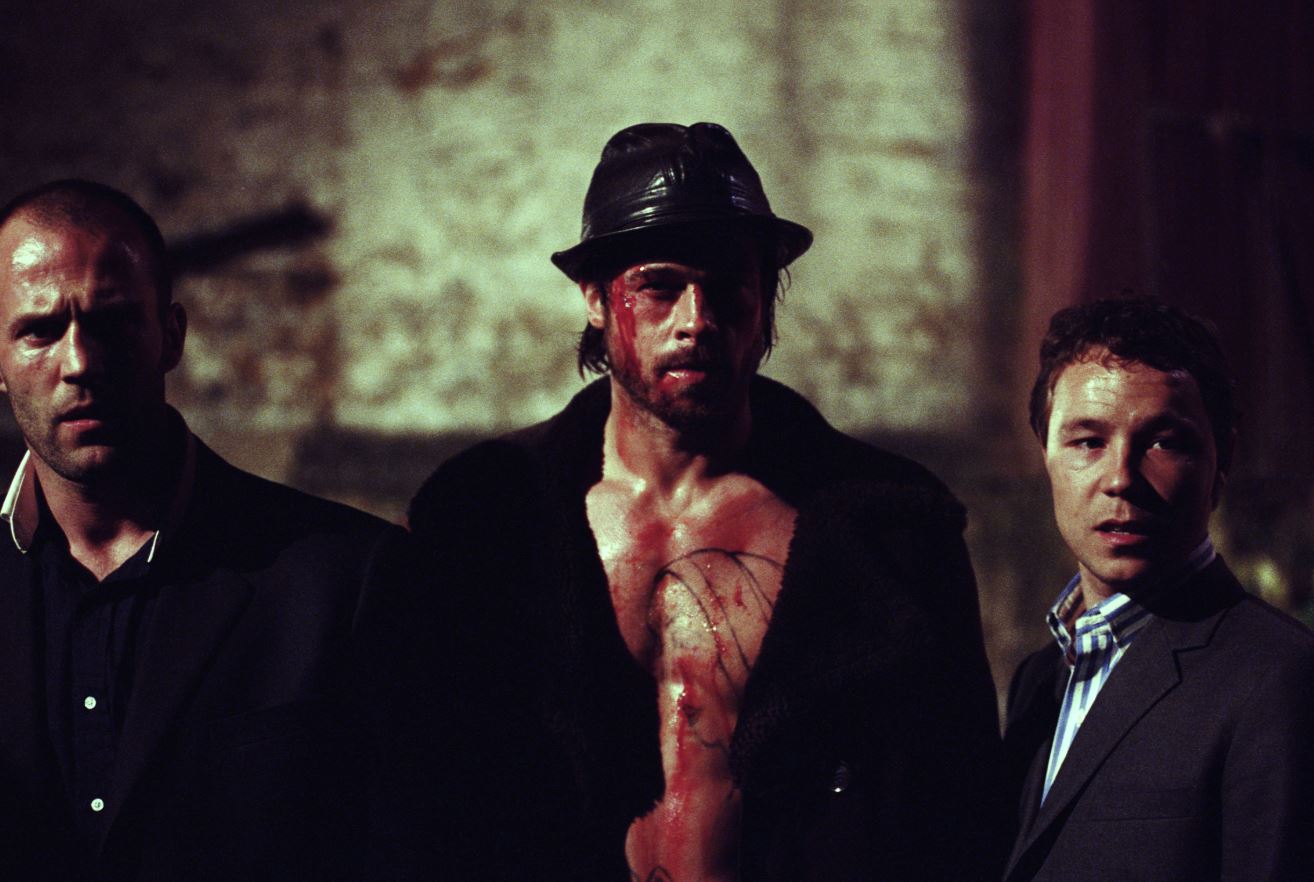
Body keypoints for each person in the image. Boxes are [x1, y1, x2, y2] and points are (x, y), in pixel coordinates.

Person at [388, 122, 1004, 881]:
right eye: (660, 286)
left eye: (728, 284)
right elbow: (409, 790)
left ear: (766, 299)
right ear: (594, 297)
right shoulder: (480, 521)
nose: (696, 321)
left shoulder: (895, 528)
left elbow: (959, 811)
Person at [0, 179, 402, 880]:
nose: (80, 363)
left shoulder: (346, 580)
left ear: (172, 337)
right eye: (39, 330)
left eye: (114, 321)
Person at [1002, 296, 1314, 881]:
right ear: (1045, 455)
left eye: (1164, 442)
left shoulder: (1281, 678)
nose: (1121, 478)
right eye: (1088, 441)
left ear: (1222, 460)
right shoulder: (1037, 681)